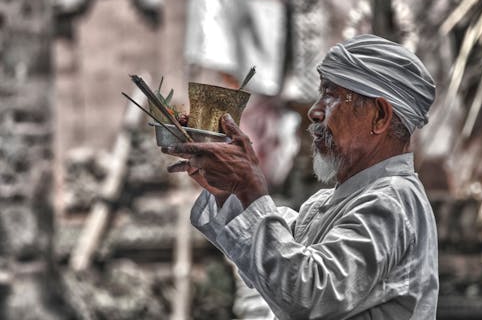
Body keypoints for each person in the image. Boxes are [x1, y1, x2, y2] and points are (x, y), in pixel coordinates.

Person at [162, 34, 439, 319]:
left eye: (331, 96)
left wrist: (249, 189)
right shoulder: (326, 205)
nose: (314, 111)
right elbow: (275, 268)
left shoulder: (392, 200)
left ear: (380, 116)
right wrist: (230, 189)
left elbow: (306, 295)